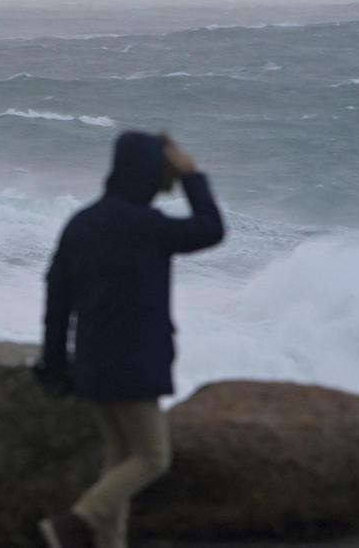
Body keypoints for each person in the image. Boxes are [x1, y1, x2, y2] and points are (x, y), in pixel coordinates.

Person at [35, 131, 225, 548]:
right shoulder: (148, 226)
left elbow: (57, 301)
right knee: (153, 457)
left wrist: (54, 364)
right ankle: (74, 522)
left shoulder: (81, 224)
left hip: (90, 365)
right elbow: (211, 229)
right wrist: (192, 174)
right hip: (135, 367)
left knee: (119, 459)